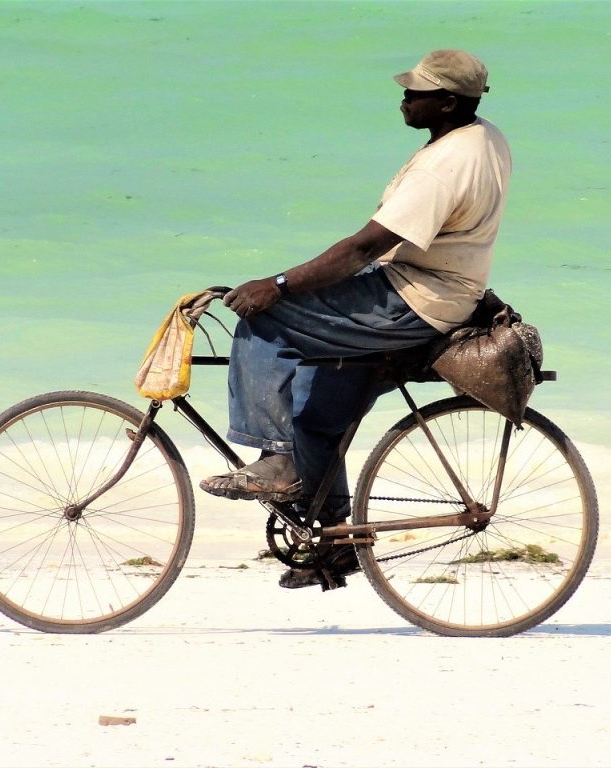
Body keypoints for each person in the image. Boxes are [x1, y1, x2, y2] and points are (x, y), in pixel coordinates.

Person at [200, 49, 512, 588]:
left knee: (265, 322)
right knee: (316, 414)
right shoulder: (483, 137)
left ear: (447, 102)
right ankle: (338, 543)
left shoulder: (444, 166)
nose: (404, 98)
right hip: (436, 288)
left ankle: (276, 460)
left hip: (413, 298)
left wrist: (274, 286)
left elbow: (362, 249)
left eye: (416, 92)